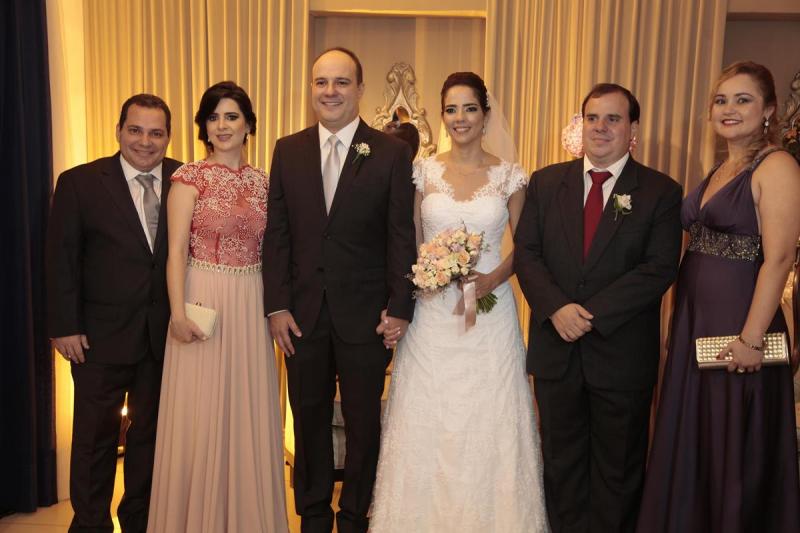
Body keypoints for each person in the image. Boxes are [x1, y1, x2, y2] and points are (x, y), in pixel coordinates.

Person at [369, 71, 550, 532]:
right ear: (442, 115)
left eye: (470, 108)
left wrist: (491, 279)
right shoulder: (423, 171)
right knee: (428, 413)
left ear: (486, 115)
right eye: (451, 109)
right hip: (432, 313)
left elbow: (526, 247)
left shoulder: (509, 176)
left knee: (487, 413)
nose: (460, 118)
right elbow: (408, 238)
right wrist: (424, 275)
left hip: (489, 312)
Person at [637, 61, 800, 533]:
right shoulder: (721, 168)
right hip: (698, 318)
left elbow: (779, 258)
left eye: (743, 100)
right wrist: (675, 321)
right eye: (721, 100)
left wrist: (751, 339)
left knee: (730, 439)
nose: (729, 109)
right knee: (698, 435)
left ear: (768, 110)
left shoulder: (778, 166)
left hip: (740, 322)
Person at [514, 83, 683, 533]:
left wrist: (588, 315)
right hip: (557, 351)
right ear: (581, 124)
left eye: (613, 118)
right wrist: (557, 308)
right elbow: (527, 253)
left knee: (618, 473)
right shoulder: (546, 182)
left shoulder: (661, 191)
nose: (601, 127)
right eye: (592, 118)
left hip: (621, 355)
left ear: (632, 128)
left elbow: (659, 268)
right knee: (560, 466)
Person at [262, 47, 416, 533]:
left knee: (363, 422)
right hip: (301, 315)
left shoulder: (391, 153)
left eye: (341, 82)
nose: (330, 91)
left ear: (360, 89)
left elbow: (400, 235)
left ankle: (354, 518)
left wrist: (400, 307)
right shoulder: (288, 150)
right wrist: (277, 306)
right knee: (306, 420)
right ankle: (312, 516)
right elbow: (277, 234)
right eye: (321, 82)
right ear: (311, 88)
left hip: (367, 316)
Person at [147, 81, 288, 532]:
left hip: (251, 302)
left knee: (245, 412)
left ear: (248, 125)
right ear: (203, 127)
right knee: (201, 414)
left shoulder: (263, 182)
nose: (222, 126)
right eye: (213, 117)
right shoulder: (189, 178)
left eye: (231, 116)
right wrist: (178, 314)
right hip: (201, 298)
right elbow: (174, 254)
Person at [46, 94, 181, 533]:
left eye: (156, 133)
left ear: (168, 137)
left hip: (163, 339)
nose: (145, 141)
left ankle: (139, 521)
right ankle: (90, 524)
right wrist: (64, 326)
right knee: (94, 440)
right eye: (135, 130)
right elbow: (61, 259)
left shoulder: (185, 179)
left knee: (150, 439)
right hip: (97, 340)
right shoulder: (80, 182)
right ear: (119, 130)